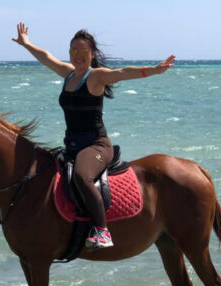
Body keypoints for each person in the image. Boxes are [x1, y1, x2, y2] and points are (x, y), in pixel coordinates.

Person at [13, 22, 175, 250]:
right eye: (74, 51)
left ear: (92, 54)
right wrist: (27, 44)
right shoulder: (68, 74)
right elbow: (46, 57)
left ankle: (102, 231)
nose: (78, 56)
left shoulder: (96, 77)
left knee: (81, 175)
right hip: (71, 145)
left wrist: (154, 70)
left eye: (83, 51)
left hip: (97, 146)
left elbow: (122, 72)